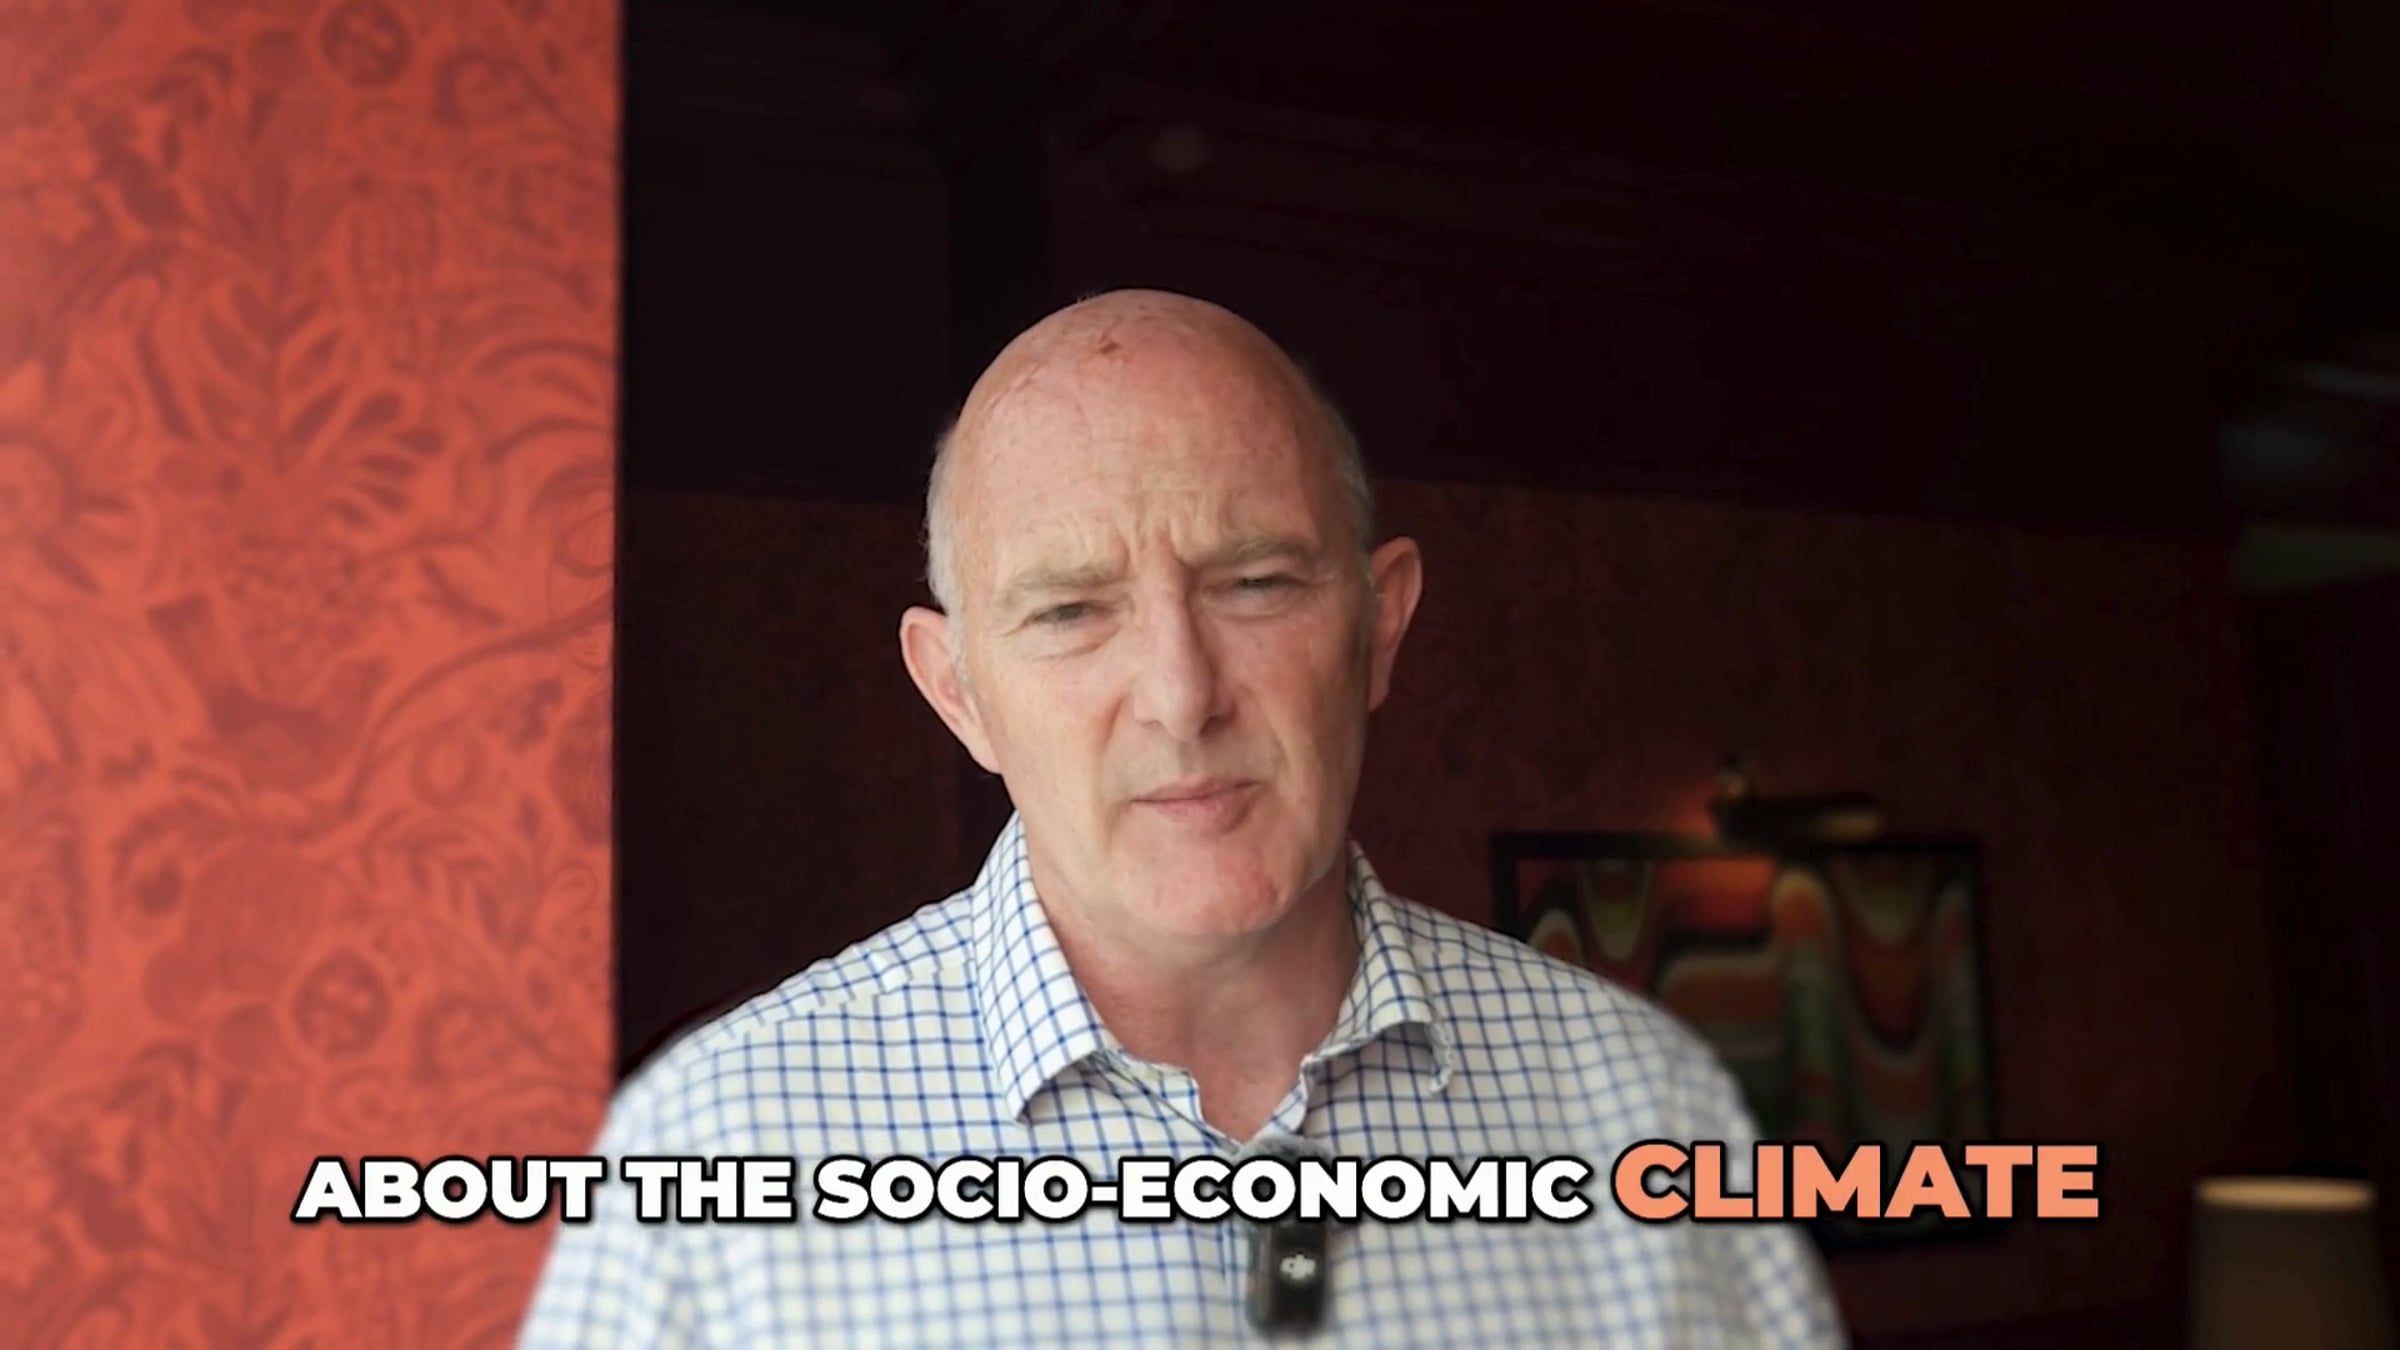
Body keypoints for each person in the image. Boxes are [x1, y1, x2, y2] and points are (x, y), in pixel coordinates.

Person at [518, 289, 1846, 1346]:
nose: (1180, 695)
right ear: (958, 693)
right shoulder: (709, 1155)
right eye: (1069, 611)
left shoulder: (1647, 1105)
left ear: (1380, 627)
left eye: (1257, 582)